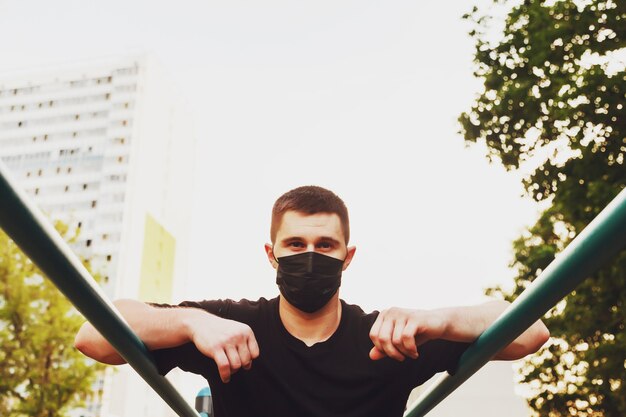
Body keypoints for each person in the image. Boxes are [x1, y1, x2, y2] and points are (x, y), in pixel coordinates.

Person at [75, 185, 550, 417]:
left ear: (348, 257)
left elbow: (531, 333)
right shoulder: (228, 326)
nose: (309, 256)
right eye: (295, 244)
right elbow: (92, 337)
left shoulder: (390, 338)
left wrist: (440, 319)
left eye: (325, 246)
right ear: (271, 254)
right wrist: (191, 324)